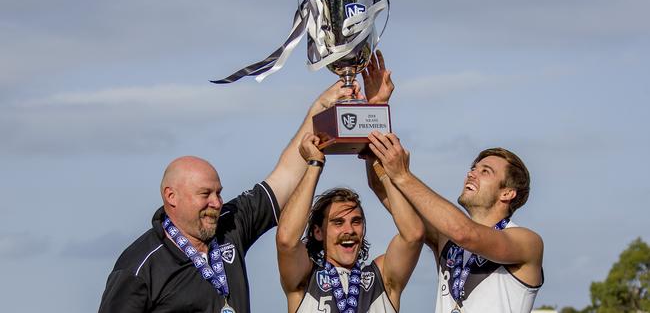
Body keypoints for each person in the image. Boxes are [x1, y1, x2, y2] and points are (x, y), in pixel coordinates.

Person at [98, 81, 361, 313]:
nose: (216, 202)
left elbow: (285, 177)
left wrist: (320, 107)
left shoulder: (229, 224)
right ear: (171, 196)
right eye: (205, 194)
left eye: (218, 192)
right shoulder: (140, 266)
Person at [367, 133, 544, 313]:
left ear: (507, 193)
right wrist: (372, 142)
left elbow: (464, 233)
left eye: (485, 171)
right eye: (473, 168)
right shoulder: (445, 237)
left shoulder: (528, 242)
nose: (471, 174)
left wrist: (403, 176)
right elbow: (383, 188)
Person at [276, 132, 424, 313]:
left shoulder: (382, 278)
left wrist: (384, 173)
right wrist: (314, 164)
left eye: (356, 221)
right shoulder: (305, 279)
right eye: (338, 223)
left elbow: (413, 235)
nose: (349, 230)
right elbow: (286, 240)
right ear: (318, 232)